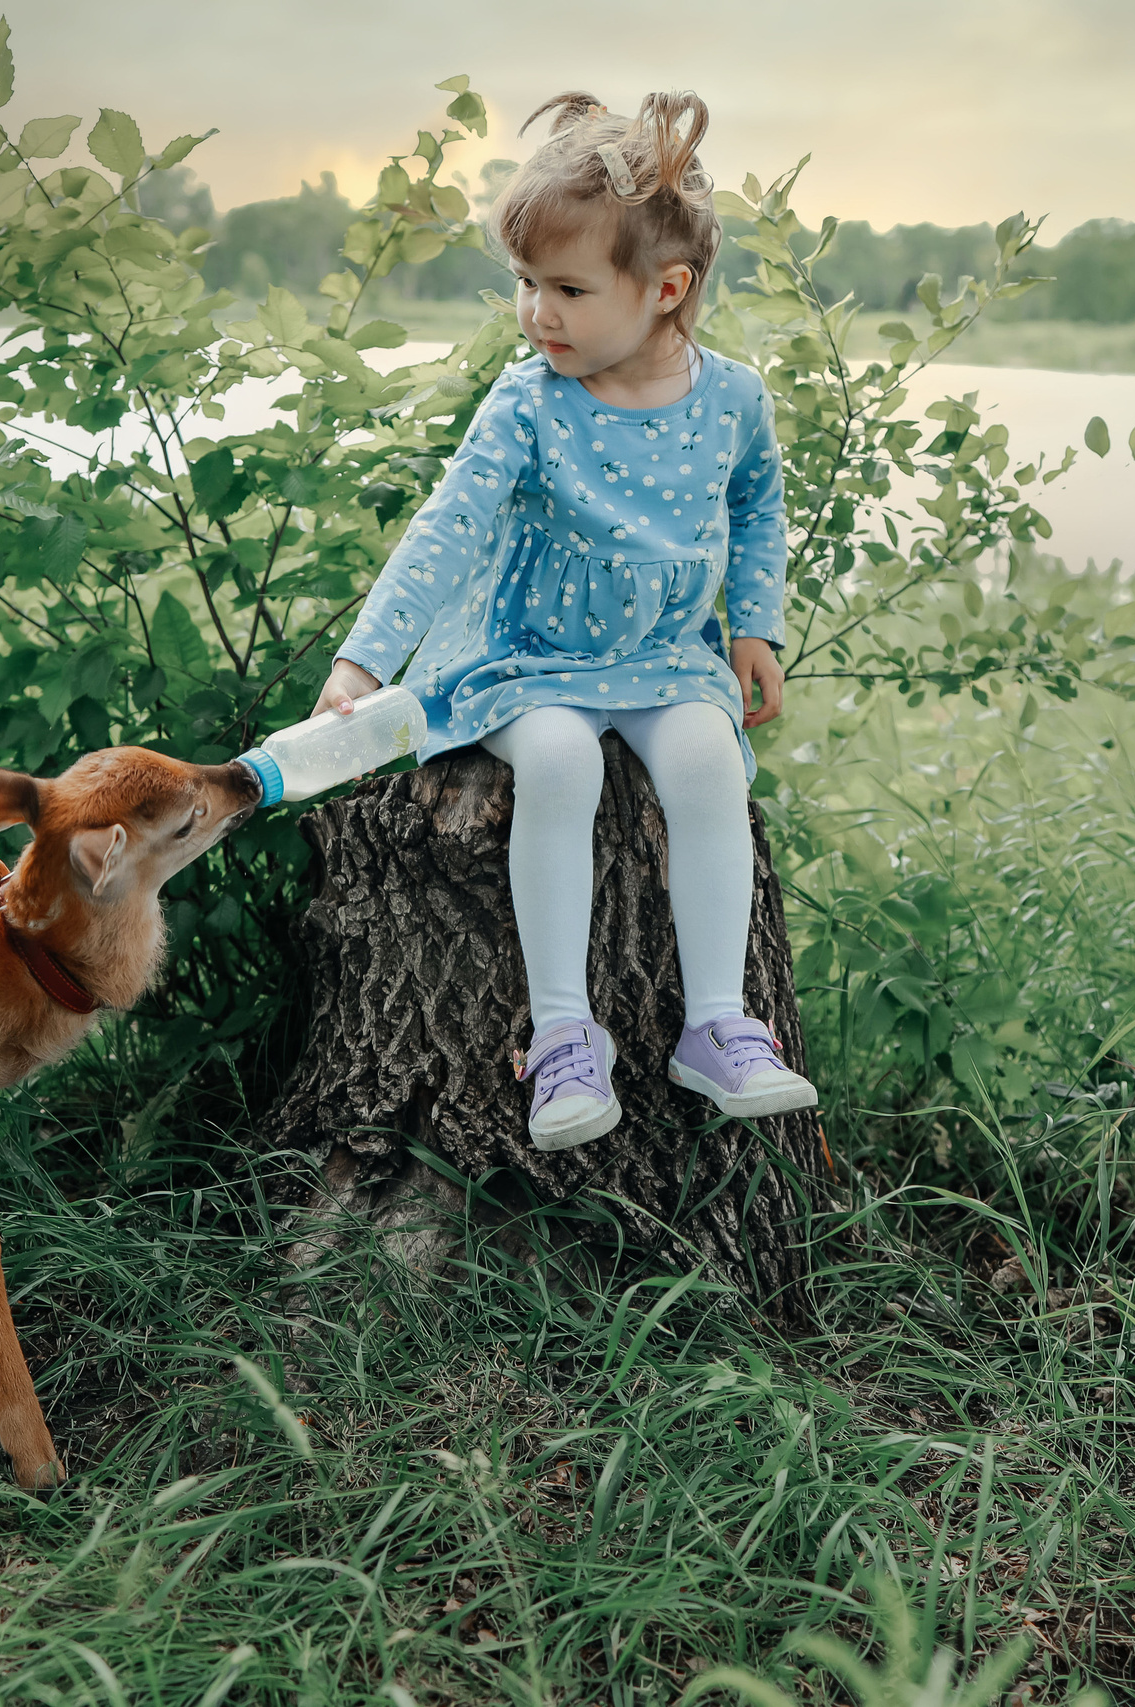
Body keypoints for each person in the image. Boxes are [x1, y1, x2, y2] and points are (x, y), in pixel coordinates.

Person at [312, 88, 819, 1151]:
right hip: (528, 660)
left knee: (706, 766)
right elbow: (446, 529)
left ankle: (717, 1023)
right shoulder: (529, 401)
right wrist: (365, 663)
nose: (537, 312)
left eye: (568, 288)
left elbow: (755, 502)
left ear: (664, 289)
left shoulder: (732, 399)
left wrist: (753, 628)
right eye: (525, 284)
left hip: (663, 658)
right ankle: (560, 1036)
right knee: (555, 766)